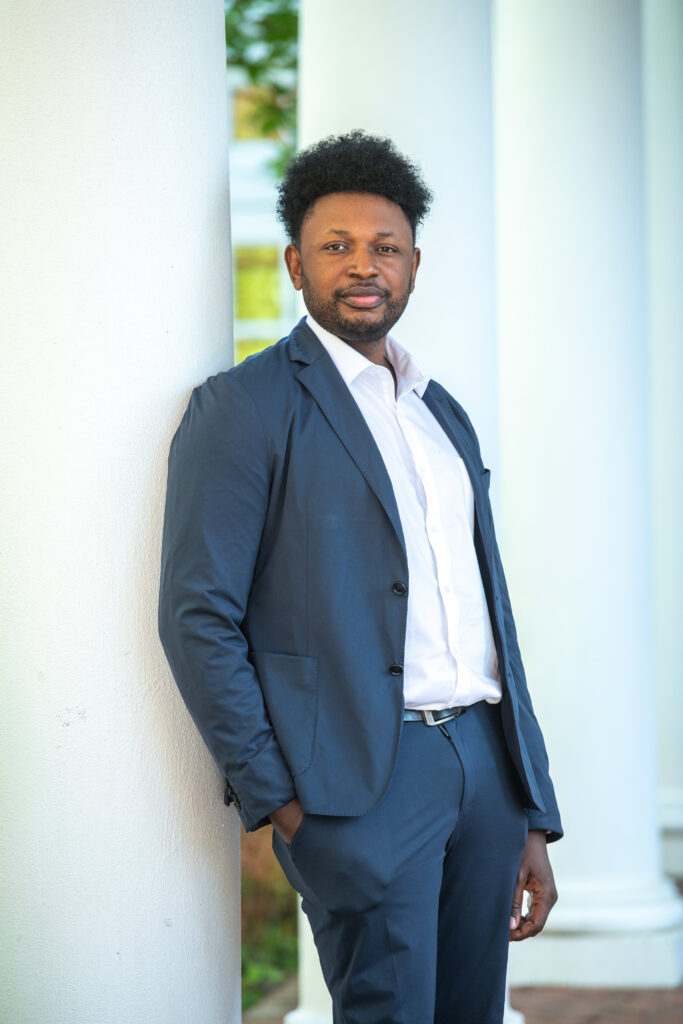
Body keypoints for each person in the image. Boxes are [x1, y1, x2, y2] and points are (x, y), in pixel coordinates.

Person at [159, 130, 562, 1024]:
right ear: (294, 266)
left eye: (383, 246)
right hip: (356, 793)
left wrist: (529, 807)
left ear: (413, 264)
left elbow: (487, 611)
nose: (362, 265)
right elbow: (199, 617)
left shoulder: (437, 412)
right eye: (335, 246)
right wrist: (281, 800)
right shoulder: (243, 409)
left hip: (483, 770)